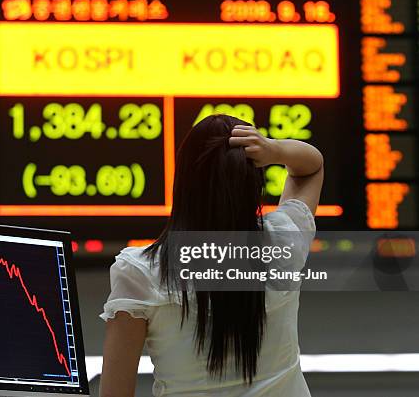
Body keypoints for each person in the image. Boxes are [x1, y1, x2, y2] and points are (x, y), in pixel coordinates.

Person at [99, 114, 324, 397]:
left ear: (182, 181)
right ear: (253, 183)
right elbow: (311, 167)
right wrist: (273, 149)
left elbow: (115, 393)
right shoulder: (285, 242)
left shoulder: (139, 272)